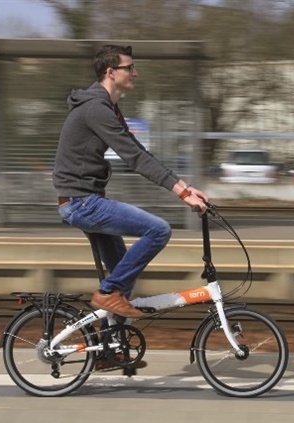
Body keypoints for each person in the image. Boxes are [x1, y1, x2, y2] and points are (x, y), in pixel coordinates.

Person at [53, 45, 208, 319]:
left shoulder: (108, 107)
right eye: (130, 68)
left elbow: (139, 152)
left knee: (124, 278)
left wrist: (184, 185)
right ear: (111, 72)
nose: (136, 72)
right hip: (82, 202)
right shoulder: (96, 109)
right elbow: (134, 157)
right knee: (158, 230)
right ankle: (108, 293)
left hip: (85, 200)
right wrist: (182, 194)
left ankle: (108, 350)